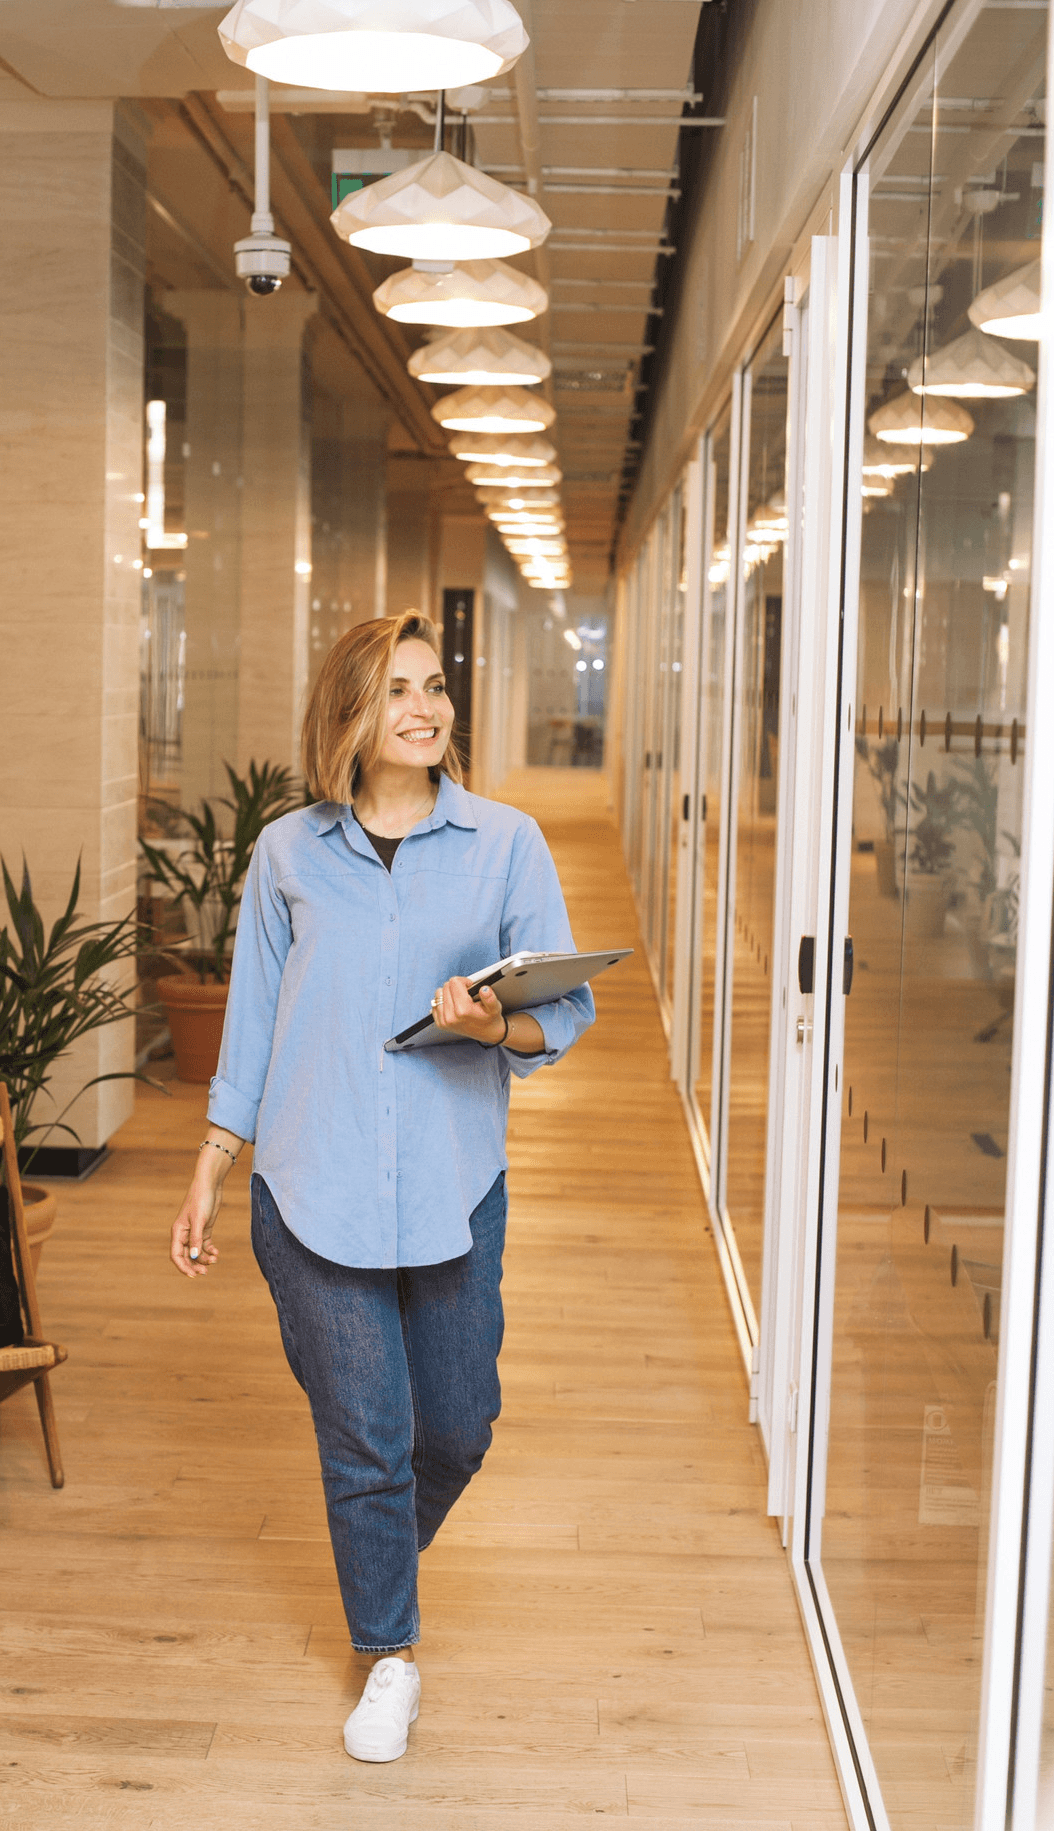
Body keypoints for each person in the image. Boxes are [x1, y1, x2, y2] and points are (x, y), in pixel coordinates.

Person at [169, 611, 594, 1765]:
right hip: (312, 1189)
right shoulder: (288, 853)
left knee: (454, 1428)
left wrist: (494, 1020)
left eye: (436, 685)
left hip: (456, 1187)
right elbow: (252, 1021)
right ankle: (388, 1654)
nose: (426, 707)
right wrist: (212, 1166)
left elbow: (565, 1010)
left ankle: (376, 1566)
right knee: (368, 1440)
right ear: (348, 713)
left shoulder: (505, 842)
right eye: (398, 688)